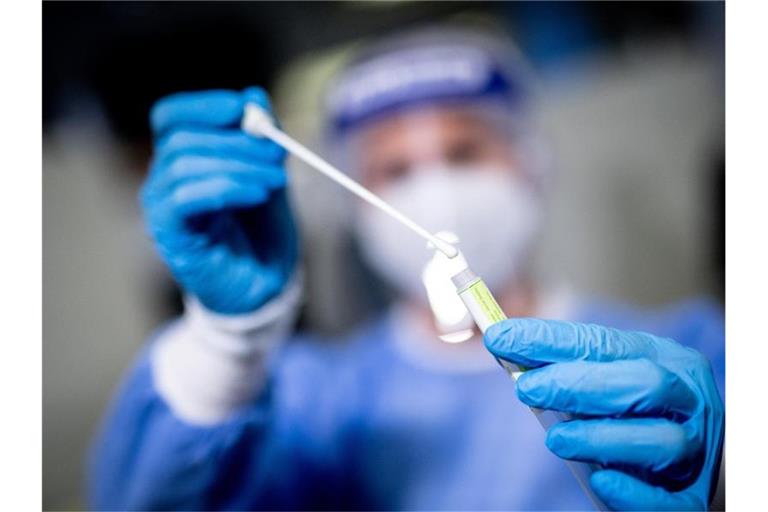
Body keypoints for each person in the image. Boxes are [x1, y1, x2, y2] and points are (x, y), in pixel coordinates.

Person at [89, 27, 724, 510]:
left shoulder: (690, 356)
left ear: (531, 161)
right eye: (394, 171)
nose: (438, 190)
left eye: (463, 151)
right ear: (354, 206)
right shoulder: (323, 403)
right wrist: (226, 342)